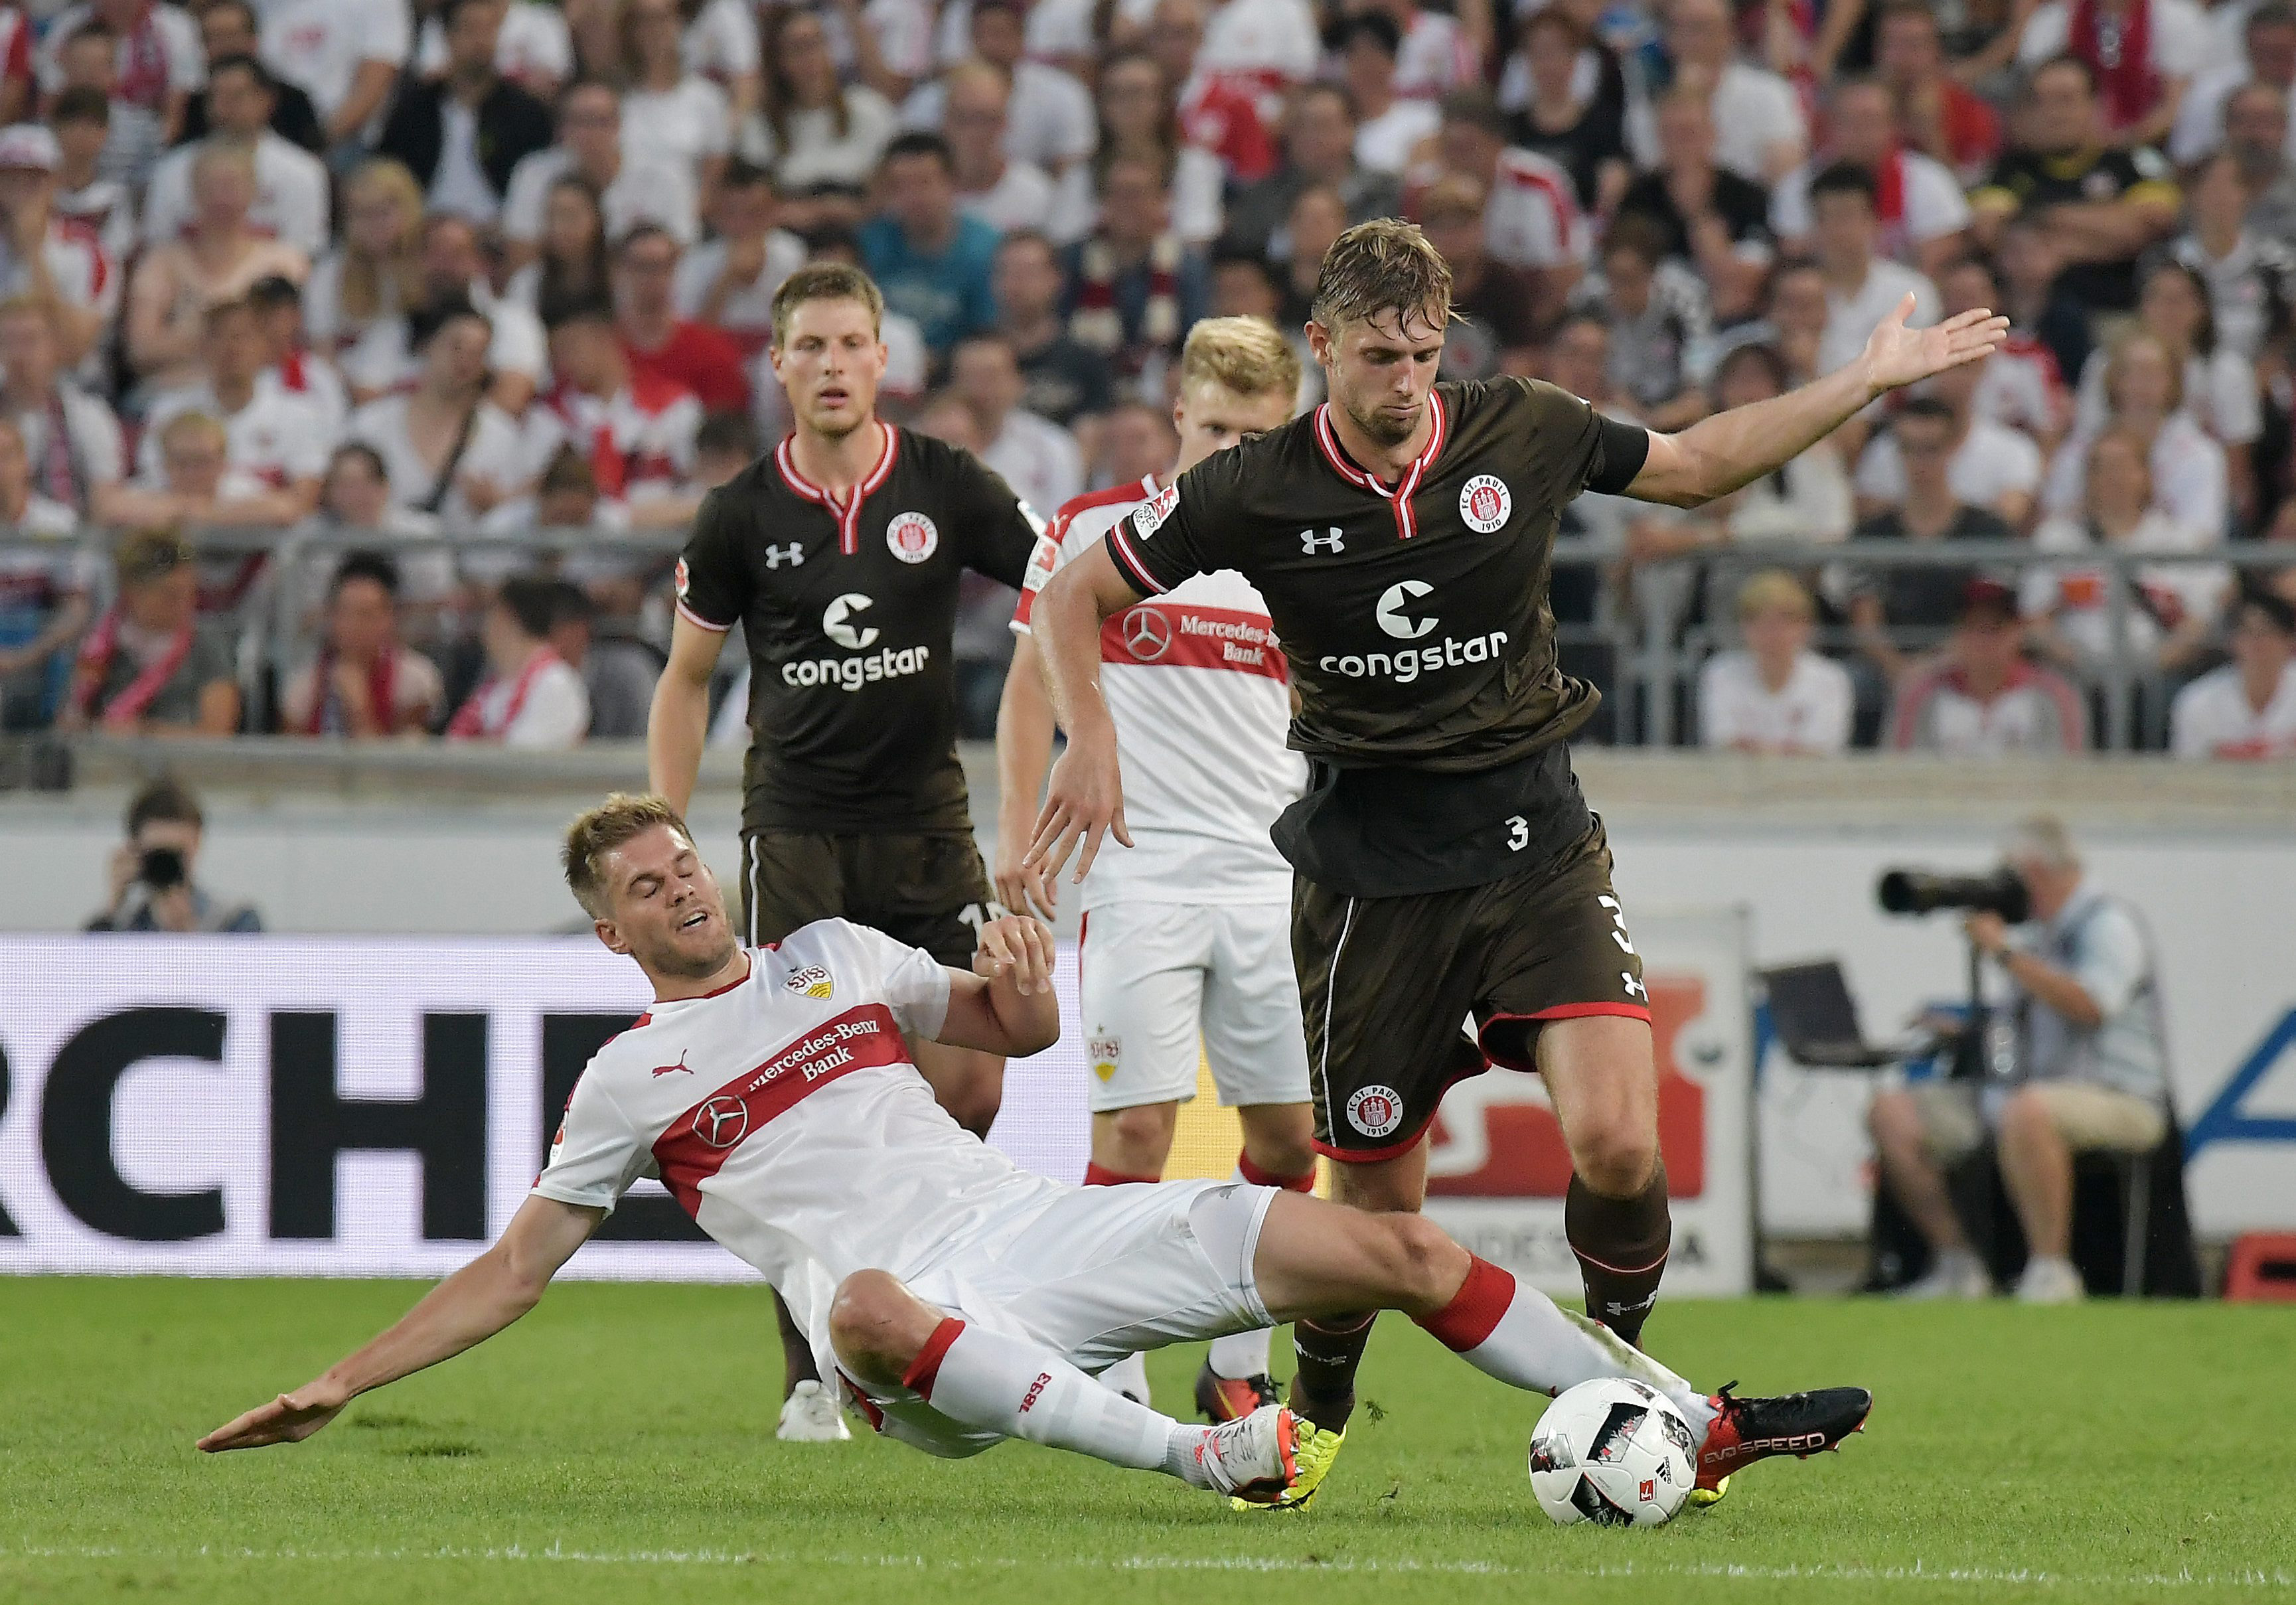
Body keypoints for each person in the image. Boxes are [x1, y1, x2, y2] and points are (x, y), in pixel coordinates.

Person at [1026, 216, 2001, 1509]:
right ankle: (1312, 1417)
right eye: (1377, 355)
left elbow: (1701, 465)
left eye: (1423, 353)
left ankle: (1636, 1387)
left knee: (1614, 1143)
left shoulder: (1521, 429)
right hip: (1371, 885)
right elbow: (1070, 595)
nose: (1403, 381)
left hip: (1534, 847)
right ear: (1320, 349)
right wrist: (1088, 738)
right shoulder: (1253, 486)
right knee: (1374, 1223)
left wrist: (1862, 383)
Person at [195, 795, 1875, 1507]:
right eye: (645, 887)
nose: (684, 887)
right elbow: (515, 1266)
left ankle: (1685, 1418)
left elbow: (1010, 1040)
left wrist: (1015, 988)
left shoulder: (834, 955)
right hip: (910, 1329)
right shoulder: (631, 1075)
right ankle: (1202, 1462)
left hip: (1028, 1229)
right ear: (607, 931)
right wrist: (344, 1380)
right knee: (848, 1295)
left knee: (1386, 1242)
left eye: (684, 863)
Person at [646, 263, 1043, 1438]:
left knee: (969, 1082)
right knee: (805, 1107)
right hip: (796, 835)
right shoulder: (737, 515)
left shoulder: (947, 485)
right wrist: (664, 840)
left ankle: (910, 1297)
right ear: (779, 366)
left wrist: (1068, 751)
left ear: (882, 360)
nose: (829, 364)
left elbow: (1065, 591)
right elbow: (684, 679)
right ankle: (813, 1370)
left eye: (849, 343)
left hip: (928, 827)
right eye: (808, 345)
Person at [996, 318, 1316, 1419]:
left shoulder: (1302, 550)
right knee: (1134, 1131)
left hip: (1273, 877)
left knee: (1282, 1141)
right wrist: (1012, 826)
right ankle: (1110, 1378)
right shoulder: (1095, 530)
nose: (1231, 452)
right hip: (1138, 871)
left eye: (1256, 434)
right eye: (1215, 427)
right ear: (1176, 413)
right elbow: (1028, 686)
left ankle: (1234, 1364)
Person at [1869, 816, 2171, 1302]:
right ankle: (1957, 1263)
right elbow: (2027, 1024)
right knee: (1894, 1112)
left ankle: (2050, 1270)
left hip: (2122, 1096)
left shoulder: (2107, 924)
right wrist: (1966, 1029)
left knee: (2029, 1110)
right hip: (2033, 1087)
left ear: (2031, 871)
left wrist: (2005, 953)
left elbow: (2090, 1006)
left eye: (2007, 874)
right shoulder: (2042, 933)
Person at [1970, 56, 2179, 313]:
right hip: (2028, 320)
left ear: (2095, 105)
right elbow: (1990, 231)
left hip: (2115, 314)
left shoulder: (2129, 165)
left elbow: (2144, 227)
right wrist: (2103, 230)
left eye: (2065, 100)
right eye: (2040, 102)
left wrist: (2041, 219)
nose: (2053, 113)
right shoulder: (2009, 169)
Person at [1843, 396, 2021, 687]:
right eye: (1908, 449)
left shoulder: (1989, 531)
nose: (1919, 463)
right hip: (1888, 672)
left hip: (1967, 667)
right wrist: (1900, 670)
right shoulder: (1871, 535)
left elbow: (1987, 619)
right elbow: (1865, 622)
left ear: (1953, 450)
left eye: (1931, 450)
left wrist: (1930, 668)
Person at [2023, 427, 2224, 680]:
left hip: (2158, 679)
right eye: (2102, 468)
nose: (2112, 477)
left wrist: (2153, 667)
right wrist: (2082, 665)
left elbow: (2199, 623)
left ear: (2146, 476)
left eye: (2122, 466)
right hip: (2076, 676)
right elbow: (2036, 619)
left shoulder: (2179, 541)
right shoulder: (2057, 537)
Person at [123, 142, 307, 396]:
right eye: (212, 186)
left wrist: (204, 337)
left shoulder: (283, 262)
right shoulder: (162, 262)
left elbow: (288, 344)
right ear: (194, 192)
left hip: (260, 393)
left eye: (232, 186)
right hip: (176, 392)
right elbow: (140, 351)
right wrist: (230, 337)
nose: (222, 198)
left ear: (253, 191)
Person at [137, 297, 334, 514]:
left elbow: (301, 503)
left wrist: (203, 514)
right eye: (218, 337)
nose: (231, 348)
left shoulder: (300, 414)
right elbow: (154, 493)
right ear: (202, 347)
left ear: (264, 346)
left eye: (241, 337)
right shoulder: (169, 410)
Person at [346, 297, 528, 528]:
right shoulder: (371, 424)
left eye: (478, 353)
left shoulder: (502, 435)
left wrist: (498, 503)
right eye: (456, 346)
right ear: (428, 346)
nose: (465, 360)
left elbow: (517, 515)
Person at [374, 0, 555, 228]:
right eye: (470, 29)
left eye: (488, 29)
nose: (480, 40)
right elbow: (391, 171)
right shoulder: (414, 110)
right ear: (448, 36)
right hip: (424, 233)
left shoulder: (526, 112)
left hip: (500, 235)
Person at [530, 297, 704, 527]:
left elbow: (704, 494)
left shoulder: (676, 407)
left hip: (660, 547)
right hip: (578, 554)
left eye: (571, 347)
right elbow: (534, 498)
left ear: (604, 338)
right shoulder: (550, 417)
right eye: (557, 353)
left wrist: (626, 520)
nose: (565, 362)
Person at [1770, 79, 1971, 279]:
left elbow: (1938, 269)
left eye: (1871, 121)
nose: (1861, 133)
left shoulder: (1931, 181)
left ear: (1894, 126)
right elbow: (1795, 266)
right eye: (1850, 122)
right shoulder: (1797, 187)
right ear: (1830, 126)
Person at [499, 80, 699, 278]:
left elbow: (680, 249)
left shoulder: (663, 175)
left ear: (618, 125)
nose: (588, 133)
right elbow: (521, 252)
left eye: (599, 121)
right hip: (558, 290)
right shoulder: (534, 173)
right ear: (562, 128)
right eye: (578, 122)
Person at [57, 527, 239, 736]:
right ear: (133, 592)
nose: (186, 604)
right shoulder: (99, 645)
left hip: (184, 764)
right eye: (171, 595)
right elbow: (71, 720)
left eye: (191, 592)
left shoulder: (207, 643)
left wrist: (144, 734)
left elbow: (218, 735)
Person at [144, 60, 327, 258]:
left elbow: (303, 253)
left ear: (266, 101)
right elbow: (158, 249)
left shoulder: (302, 172)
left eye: (235, 97)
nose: (220, 109)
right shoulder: (172, 170)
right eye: (214, 97)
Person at [1888, 579, 2088, 754]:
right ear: (1957, 634)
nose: (1984, 640)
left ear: (2017, 633)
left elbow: (2070, 774)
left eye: (1995, 628)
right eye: (1973, 627)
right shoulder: (1921, 695)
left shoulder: (2055, 695)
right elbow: (1897, 771)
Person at [862, 132, 1001, 359]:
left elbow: (986, 333)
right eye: (900, 186)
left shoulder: (985, 251)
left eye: (925, 183)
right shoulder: (870, 244)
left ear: (952, 183)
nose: (914, 197)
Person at [1221, 84, 1403, 259]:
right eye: (1301, 126)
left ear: (1351, 129)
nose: (1311, 137)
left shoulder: (1384, 192)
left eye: (1323, 125)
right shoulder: (1262, 198)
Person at [278, 552, 445, 737]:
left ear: (389, 618)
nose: (354, 626)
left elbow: (400, 763)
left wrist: (358, 707)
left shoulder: (416, 680)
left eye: (366, 615)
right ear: (331, 617)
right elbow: (295, 761)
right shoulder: (303, 686)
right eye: (345, 614)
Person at [743, 6, 898, 194]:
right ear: (778, 61)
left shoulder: (870, 109)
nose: (812, 58)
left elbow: (890, 187)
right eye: (799, 48)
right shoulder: (761, 126)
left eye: (818, 44)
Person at [0, 121, 116, 371]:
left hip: (70, 383)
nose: (21, 188)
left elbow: (73, 347)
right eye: (10, 177)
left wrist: (33, 254)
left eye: (34, 178)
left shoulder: (86, 250)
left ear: (55, 182)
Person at [1697, 570, 1854, 753]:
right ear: (1743, 627)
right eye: (1760, 624)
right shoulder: (1720, 672)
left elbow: (1823, 749)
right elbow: (1721, 743)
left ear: (1805, 627)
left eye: (1784, 623)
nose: (1772, 635)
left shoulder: (1830, 679)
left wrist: (1757, 750)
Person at [0, 414, 90, 730]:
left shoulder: (57, 525)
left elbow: (76, 608)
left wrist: (28, 654)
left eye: (6, 456)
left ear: (25, 463)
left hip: (38, 654)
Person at [1809, 163, 1941, 379]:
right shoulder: (1798, 295)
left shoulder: (1912, 291)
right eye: (1826, 218)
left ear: (1873, 221)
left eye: (1846, 216)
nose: (1837, 230)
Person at [85, 777, 261, 933]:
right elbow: (89, 966)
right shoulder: (125, 923)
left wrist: (188, 934)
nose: (166, 864)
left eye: (177, 853)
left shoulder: (234, 920)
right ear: (135, 850)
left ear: (197, 844)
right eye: (158, 853)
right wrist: (114, 905)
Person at [0, 295, 123, 518]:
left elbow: (105, 501)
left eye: (29, 341)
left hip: (67, 541)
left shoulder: (89, 415)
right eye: (9, 342)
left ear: (54, 347)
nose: (19, 355)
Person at [672, 159, 805, 361]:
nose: (743, 225)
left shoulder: (792, 256)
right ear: (717, 216)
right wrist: (727, 279)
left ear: (774, 211)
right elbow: (691, 346)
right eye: (732, 214)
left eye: (754, 213)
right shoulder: (695, 264)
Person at [615, 224, 751, 417]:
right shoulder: (601, 352)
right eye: (641, 267)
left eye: (662, 266)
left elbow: (728, 434)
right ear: (619, 271)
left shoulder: (712, 353)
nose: (652, 278)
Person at [947, 333, 1083, 516]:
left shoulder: (1053, 447)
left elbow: (1064, 528)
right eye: (970, 377)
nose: (980, 389)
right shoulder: (925, 444)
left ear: (1018, 382)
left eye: (991, 376)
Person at [445, 575, 589, 746]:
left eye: (490, 616)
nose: (484, 631)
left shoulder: (555, 682)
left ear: (506, 619)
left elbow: (521, 759)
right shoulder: (499, 686)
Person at [993, 230, 1114, 427]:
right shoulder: (970, 358)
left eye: (1029, 272)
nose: (1017, 283)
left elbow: (1093, 432)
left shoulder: (1087, 363)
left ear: (1057, 280)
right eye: (1007, 271)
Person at [617, 0, 733, 203]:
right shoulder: (616, 99)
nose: (654, 30)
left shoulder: (708, 99)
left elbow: (714, 173)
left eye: (662, 19)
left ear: (679, 24)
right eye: (644, 22)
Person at [180, 0, 324, 153]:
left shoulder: (293, 102)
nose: (224, 46)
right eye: (213, 38)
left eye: (230, 35)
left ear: (253, 40)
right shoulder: (194, 106)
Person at [2170, 588, 2296, 757]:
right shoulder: (2198, 702)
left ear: (2289, 640)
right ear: (2233, 641)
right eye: (2249, 633)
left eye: (2268, 632)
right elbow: (2186, 774)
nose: (2258, 644)